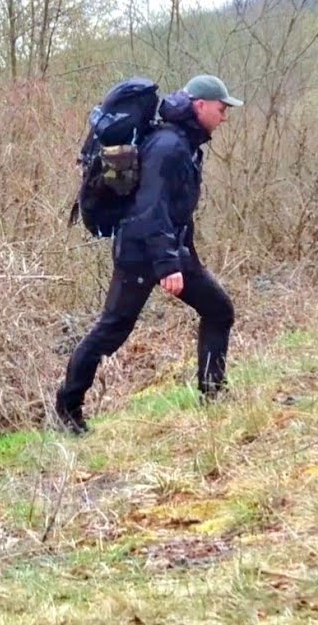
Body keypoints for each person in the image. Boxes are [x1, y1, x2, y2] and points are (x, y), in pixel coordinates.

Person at [55, 74, 243, 435]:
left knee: (219, 310)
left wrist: (179, 253)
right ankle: (67, 409)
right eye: (221, 109)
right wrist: (168, 265)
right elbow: (149, 209)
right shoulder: (169, 146)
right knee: (111, 331)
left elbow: (172, 210)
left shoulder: (184, 142)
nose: (225, 116)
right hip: (142, 253)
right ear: (200, 105)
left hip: (168, 248)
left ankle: (213, 393)